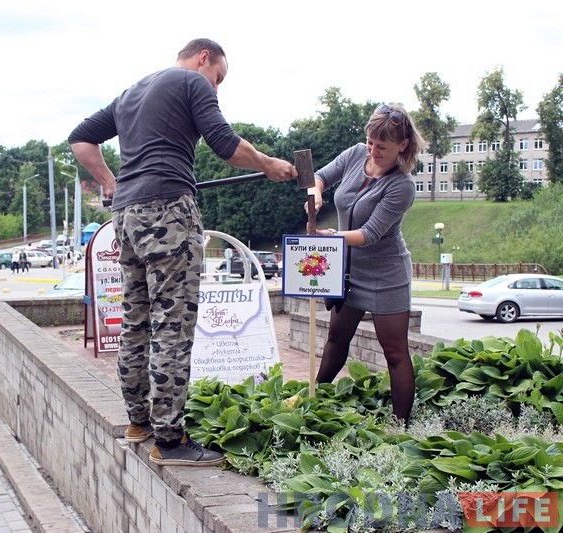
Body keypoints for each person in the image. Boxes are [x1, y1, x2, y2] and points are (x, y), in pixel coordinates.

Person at [68, 38, 297, 466]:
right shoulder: (192, 83)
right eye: (219, 78)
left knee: (137, 321)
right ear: (203, 58)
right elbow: (226, 145)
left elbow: (80, 140)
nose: (216, 88)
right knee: (172, 324)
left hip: (127, 216)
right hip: (169, 210)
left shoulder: (133, 92)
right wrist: (269, 165)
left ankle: (139, 422)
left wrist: (111, 181)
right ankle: (170, 441)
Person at [308, 103, 424, 424]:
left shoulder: (402, 185)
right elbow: (320, 176)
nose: (373, 151)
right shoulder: (356, 154)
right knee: (336, 337)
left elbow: (370, 233)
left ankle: (400, 426)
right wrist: (316, 194)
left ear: (402, 145)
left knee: (395, 353)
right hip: (350, 270)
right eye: (371, 142)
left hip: (387, 274)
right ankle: (314, 401)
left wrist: (332, 237)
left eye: (382, 147)